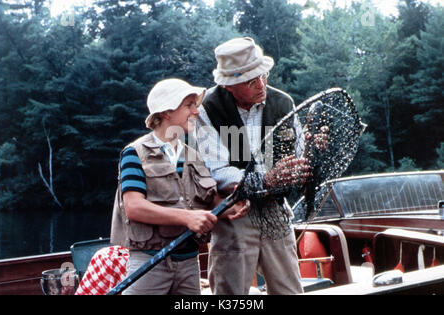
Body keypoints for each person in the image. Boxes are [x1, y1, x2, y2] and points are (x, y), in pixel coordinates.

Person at [110, 78, 249, 295]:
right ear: (167, 112)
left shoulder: (193, 155)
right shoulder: (134, 153)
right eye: (189, 105)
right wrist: (187, 217)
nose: (196, 112)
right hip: (149, 263)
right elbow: (134, 207)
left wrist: (230, 208)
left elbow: (210, 201)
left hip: (189, 264)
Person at [195, 37, 309, 295]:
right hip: (234, 211)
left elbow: (299, 155)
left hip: (275, 209)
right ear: (229, 85)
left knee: (289, 290)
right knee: (231, 295)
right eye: (251, 81)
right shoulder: (207, 109)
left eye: (264, 75)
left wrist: (309, 156)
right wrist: (264, 181)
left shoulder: (284, 103)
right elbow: (217, 170)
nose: (261, 85)